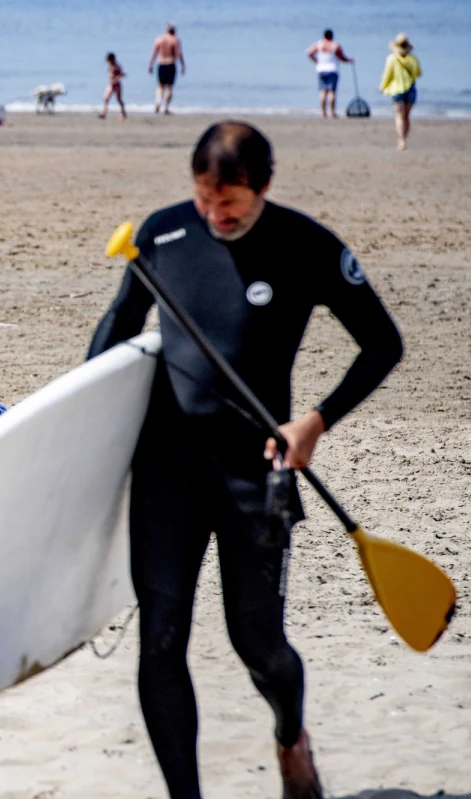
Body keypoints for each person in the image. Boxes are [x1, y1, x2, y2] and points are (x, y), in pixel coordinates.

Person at [88, 121, 404, 798]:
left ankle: (291, 734)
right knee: (161, 636)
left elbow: (383, 343)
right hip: (166, 472)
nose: (214, 213)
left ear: (263, 185)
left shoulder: (306, 245)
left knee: (257, 644)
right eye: (204, 197)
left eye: (228, 201)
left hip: (254, 476)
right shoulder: (162, 233)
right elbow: (117, 328)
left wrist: (315, 421)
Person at [380, 33, 422, 150]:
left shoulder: (392, 59)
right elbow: (418, 73)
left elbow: (387, 75)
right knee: (406, 116)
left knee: (399, 116)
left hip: (396, 89)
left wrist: (382, 87)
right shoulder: (413, 58)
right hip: (411, 88)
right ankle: (404, 139)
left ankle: (401, 140)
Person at [306, 29, 353, 119]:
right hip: (332, 69)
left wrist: (316, 61)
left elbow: (309, 52)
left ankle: (323, 112)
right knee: (331, 91)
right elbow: (342, 58)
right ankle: (332, 112)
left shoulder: (319, 44)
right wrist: (349, 60)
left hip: (321, 69)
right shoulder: (335, 45)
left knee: (322, 91)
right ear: (332, 36)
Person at [148, 23, 185, 115]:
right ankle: (166, 108)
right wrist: (182, 65)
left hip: (161, 64)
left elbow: (154, 53)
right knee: (169, 87)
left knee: (160, 86)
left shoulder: (159, 39)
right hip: (170, 64)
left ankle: (158, 102)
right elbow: (178, 53)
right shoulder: (175, 40)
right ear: (173, 30)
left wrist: (150, 64)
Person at [99, 53, 127, 120]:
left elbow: (121, 75)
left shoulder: (117, 66)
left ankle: (123, 113)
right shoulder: (110, 65)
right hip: (111, 84)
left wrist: (116, 79)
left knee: (119, 99)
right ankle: (104, 113)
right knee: (106, 98)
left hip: (116, 84)